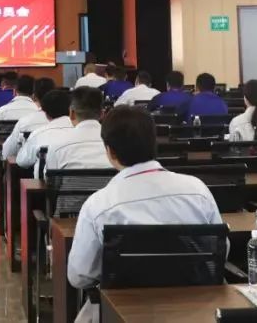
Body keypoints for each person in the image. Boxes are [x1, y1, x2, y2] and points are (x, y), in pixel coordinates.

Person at [67, 107, 224, 317]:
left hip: (123, 313)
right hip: (195, 310)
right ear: (154, 143)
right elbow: (220, 250)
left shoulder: (99, 205)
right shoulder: (197, 190)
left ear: (110, 151)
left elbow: (79, 276)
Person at [45, 87, 112, 175]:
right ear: (102, 114)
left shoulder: (57, 146)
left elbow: (49, 178)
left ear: (71, 113)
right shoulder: (117, 144)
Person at [17, 89, 76, 174]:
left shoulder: (38, 134)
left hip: (47, 182)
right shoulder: (81, 133)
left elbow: (22, 162)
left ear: (46, 113)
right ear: (70, 109)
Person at [2, 77, 56, 160]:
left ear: (34, 96)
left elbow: (7, 152)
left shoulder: (24, 121)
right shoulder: (70, 123)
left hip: (28, 164)